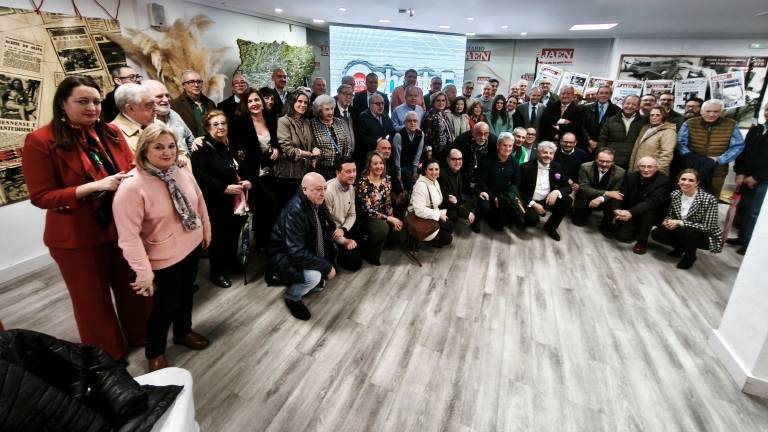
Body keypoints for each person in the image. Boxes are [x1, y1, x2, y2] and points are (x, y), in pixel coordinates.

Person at [22, 75, 150, 362]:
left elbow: (131, 169)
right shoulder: (41, 141)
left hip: (120, 227)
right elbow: (41, 196)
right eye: (82, 101)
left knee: (132, 288)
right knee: (92, 301)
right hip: (77, 237)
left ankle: (142, 334)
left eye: (96, 101)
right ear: (62, 104)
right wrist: (93, 187)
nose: (92, 107)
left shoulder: (111, 133)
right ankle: (108, 355)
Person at [113, 124, 211, 371]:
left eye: (171, 146)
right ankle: (155, 352)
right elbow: (128, 237)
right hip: (164, 256)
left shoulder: (181, 171)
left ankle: (183, 331)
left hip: (191, 245)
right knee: (166, 305)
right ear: (144, 150)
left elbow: (199, 200)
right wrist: (143, 272)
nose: (167, 152)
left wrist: (206, 230)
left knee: (186, 294)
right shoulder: (131, 186)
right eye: (158, 147)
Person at [191, 110, 250, 288]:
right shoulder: (201, 147)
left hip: (237, 200)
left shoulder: (232, 143)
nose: (220, 127)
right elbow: (200, 176)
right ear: (207, 127)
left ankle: (231, 262)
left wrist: (248, 181)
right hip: (216, 200)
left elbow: (243, 166)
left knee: (234, 233)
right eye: (215, 124)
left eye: (223, 123)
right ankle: (217, 272)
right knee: (218, 238)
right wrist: (224, 188)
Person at [269, 172, 337, 320]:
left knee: (332, 248)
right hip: (283, 255)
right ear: (304, 189)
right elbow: (295, 253)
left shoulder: (315, 200)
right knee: (314, 276)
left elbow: (326, 226)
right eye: (318, 189)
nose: (323, 193)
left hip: (301, 247)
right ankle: (292, 297)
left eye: (325, 188)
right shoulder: (295, 211)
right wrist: (325, 266)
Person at [229, 88, 279, 246]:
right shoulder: (239, 122)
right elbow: (236, 150)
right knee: (262, 207)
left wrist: (277, 149)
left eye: (256, 99)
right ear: (245, 105)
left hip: (271, 171)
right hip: (251, 173)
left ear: (262, 102)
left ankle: (267, 243)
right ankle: (261, 243)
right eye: (250, 101)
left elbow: (277, 141)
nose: (254, 103)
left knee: (271, 208)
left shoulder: (271, 118)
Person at [651, 169, 723, 269]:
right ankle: (679, 248)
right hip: (681, 229)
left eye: (691, 180)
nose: (686, 183)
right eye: (683, 179)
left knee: (687, 232)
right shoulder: (675, 194)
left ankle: (690, 257)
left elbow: (708, 227)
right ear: (679, 180)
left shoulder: (709, 199)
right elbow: (671, 214)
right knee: (657, 233)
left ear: (697, 183)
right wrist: (667, 221)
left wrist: (680, 222)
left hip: (703, 234)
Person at [677, 98, 744, 198]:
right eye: (708, 111)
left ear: (721, 112)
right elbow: (680, 143)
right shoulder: (690, 123)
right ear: (701, 111)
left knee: (711, 198)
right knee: (686, 197)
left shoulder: (731, 124)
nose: (712, 114)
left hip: (717, 171)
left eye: (716, 111)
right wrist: (693, 158)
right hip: (691, 169)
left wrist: (719, 159)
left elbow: (738, 146)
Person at [611, 156, 670, 254]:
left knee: (648, 210)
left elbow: (653, 201)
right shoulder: (631, 176)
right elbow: (621, 194)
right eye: (642, 166)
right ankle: (636, 228)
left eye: (650, 167)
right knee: (622, 237)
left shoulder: (664, 181)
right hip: (632, 212)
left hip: (651, 214)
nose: (646, 170)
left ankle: (642, 241)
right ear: (638, 167)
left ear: (657, 168)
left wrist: (630, 213)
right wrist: (617, 210)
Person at [355, 151, 405, 265]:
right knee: (382, 227)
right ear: (369, 166)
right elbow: (368, 210)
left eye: (381, 163)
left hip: (383, 212)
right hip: (367, 216)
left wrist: (392, 216)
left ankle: (382, 241)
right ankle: (369, 253)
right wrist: (389, 219)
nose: (379, 166)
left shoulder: (386, 179)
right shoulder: (363, 183)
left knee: (400, 231)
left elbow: (387, 202)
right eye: (375, 163)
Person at [730, 105, 768, 255]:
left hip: (763, 181)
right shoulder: (757, 129)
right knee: (744, 208)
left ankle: (749, 245)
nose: (767, 113)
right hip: (746, 177)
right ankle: (742, 237)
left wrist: (757, 178)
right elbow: (743, 152)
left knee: (754, 213)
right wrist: (740, 172)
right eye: (767, 109)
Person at [519, 141, 572, 241]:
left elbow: (567, 187)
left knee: (567, 200)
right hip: (530, 201)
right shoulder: (525, 167)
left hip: (547, 199)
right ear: (538, 153)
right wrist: (534, 204)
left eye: (551, 153)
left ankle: (551, 227)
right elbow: (519, 190)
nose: (548, 155)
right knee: (531, 221)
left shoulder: (557, 167)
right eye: (545, 152)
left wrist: (556, 192)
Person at [275, 90, 316, 207]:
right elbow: (288, 150)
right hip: (289, 174)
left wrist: (315, 150)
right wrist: (310, 154)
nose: (303, 105)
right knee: (288, 209)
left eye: (306, 102)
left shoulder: (306, 122)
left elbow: (312, 144)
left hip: (305, 173)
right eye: (300, 101)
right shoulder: (283, 121)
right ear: (292, 102)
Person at [476, 133, 521, 231]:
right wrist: (494, 198)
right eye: (504, 145)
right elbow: (481, 182)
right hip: (487, 193)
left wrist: (503, 199)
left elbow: (515, 184)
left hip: (502, 196)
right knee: (485, 207)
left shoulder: (514, 163)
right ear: (498, 145)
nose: (507, 148)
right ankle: (477, 219)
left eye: (510, 146)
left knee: (500, 225)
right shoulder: (487, 160)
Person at [572, 148, 626, 229]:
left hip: (606, 200)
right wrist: (606, 193)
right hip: (586, 197)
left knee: (616, 199)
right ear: (596, 159)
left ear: (613, 162)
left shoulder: (621, 172)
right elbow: (584, 188)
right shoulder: (585, 167)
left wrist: (601, 198)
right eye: (601, 161)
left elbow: (615, 193)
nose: (604, 164)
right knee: (578, 222)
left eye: (608, 162)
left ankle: (607, 223)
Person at [324, 156, 361, 271]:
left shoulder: (351, 188)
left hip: (343, 228)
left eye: (354, 171)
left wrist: (344, 229)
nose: (353, 175)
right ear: (338, 173)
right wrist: (344, 241)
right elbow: (326, 225)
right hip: (331, 232)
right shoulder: (328, 192)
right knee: (354, 264)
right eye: (348, 171)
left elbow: (352, 214)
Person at [408, 159, 453, 247]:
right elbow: (419, 211)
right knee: (448, 239)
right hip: (419, 217)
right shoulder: (421, 186)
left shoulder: (435, 181)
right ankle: (415, 238)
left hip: (431, 213)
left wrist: (448, 197)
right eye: (431, 169)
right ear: (425, 171)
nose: (434, 172)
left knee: (450, 226)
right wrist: (438, 215)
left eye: (437, 169)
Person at [144, 79, 194, 154]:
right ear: (146, 99)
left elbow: (190, 139)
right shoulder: (143, 121)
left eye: (167, 95)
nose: (166, 100)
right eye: (159, 96)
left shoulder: (173, 114)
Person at [309, 95, 352, 180]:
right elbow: (311, 145)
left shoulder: (339, 122)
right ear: (319, 111)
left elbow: (347, 145)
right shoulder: (313, 124)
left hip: (340, 168)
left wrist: (345, 162)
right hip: (322, 169)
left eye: (332, 109)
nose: (331, 112)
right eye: (327, 109)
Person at [599, 94, 647, 169]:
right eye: (627, 103)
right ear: (622, 104)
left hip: (632, 160)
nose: (630, 106)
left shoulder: (644, 121)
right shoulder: (611, 120)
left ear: (638, 107)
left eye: (634, 104)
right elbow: (602, 140)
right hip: (612, 160)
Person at [110, 83, 162, 152]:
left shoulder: (157, 123)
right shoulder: (114, 135)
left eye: (155, 103)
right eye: (149, 105)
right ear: (130, 109)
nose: (156, 108)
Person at [628, 105, 677, 175]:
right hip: (639, 170)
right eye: (652, 115)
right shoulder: (645, 129)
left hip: (652, 172)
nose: (654, 117)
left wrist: (656, 172)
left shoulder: (668, 132)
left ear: (663, 117)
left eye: (658, 115)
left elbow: (666, 155)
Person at [439, 148, 478, 231]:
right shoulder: (442, 175)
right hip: (445, 206)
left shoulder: (456, 170)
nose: (457, 162)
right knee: (463, 219)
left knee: (473, 204)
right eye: (454, 159)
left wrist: (479, 192)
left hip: (456, 202)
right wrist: (466, 213)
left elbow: (463, 187)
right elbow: (445, 202)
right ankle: (448, 224)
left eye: (460, 159)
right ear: (447, 159)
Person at [452, 122, 497, 191]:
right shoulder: (462, 140)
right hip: (464, 174)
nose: (482, 137)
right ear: (473, 132)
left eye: (486, 134)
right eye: (479, 133)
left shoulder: (493, 141)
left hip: (482, 177)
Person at [540, 85, 587, 150]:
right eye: (563, 93)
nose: (565, 96)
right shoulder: (551, 105)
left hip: (567, 144)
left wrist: (559, 127)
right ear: (559, 95)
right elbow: (546, 119)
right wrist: (563, 121)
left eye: (568, 94)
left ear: (572, 95)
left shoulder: (578, 109)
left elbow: (575, 126)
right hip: (549, 141)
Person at [171, 70, 216, 137]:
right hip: (190, 143)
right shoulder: (175, 105)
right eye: (191, 82)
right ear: (183, 85)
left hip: (211, 142)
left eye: (198, 81)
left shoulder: (210, 103)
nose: (196, 85)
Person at [355, 93, 395, 169]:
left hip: (384, 155)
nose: (381, 106)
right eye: (378, 104)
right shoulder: (363, 117)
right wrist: (376, 142)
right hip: (369, 156)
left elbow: (392, 130)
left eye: (382, 103)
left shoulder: (385, 115)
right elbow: (361, 137)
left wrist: (388, 141)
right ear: (370, 105)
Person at [392, 110, 424, 192]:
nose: (412, 123)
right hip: (401, 167)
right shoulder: (399, 135)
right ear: (405, 123)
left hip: (413, 165)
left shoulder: (421, 134)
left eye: (415, 121)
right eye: (410, 121)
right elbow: (396, 157)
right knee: (404, 188)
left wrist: (415, 170)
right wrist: (398, 175)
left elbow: (418, 154)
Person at [584, 85, 620, 156]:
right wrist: (589, 141)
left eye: (607, 93)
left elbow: (615, 131)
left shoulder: (617, 110)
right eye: (601, 93)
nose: (603, 95)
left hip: (605, 148)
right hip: (586, 146)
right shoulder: (586, 108)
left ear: (610, 95)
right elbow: (582, 126)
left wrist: (599, 144)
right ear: (597, 94)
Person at [422, 91, 453, 160]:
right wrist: (429, 156)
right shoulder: (430, 115)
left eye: (443, 100)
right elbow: (427, 137)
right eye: (438, 100)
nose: (441, 103)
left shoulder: (444, 113)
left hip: (446, 151)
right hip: (435, 154)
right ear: (433, 102)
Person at [333, 83, 356, 154]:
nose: (348, 97)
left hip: (353, 155)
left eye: (351, 94)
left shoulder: (354, 112)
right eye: (345, 93)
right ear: (338, 94)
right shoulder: (332, 112)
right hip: (337, 155)